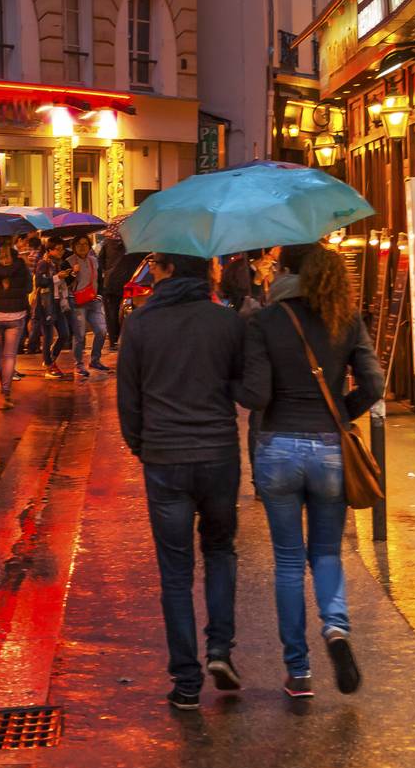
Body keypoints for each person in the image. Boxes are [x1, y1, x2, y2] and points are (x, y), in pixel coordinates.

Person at [237, 242, 383, 699]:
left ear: (287, 271)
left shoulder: (264, 319)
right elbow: (375, 384)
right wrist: (343, 412)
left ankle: (298, 670)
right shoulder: (346, 318)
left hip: (278, 447)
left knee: (286, 560)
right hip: (328, 450)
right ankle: (336, 628)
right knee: (326, 552)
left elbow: (256, 397)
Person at [117, 251, 247, 710]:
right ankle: (220, 650)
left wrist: (143, 446)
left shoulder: (140, 325)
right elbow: (245, 388)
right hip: (218, 454)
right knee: (219, 551)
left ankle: (186, 682)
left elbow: (128, 402)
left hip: (164, 457)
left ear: (168, 269)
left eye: (156, 264)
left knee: (175, 573)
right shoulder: (227, 323)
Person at [0, 237, 33, 409]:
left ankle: (3, 385)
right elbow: (29, 288)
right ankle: (6, 392)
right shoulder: (20, 263)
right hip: (15, 314)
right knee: (9, 356)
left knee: (0, 354)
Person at [70, 235, 110, 378]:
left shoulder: (94, 261)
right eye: (79, 244)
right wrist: (73, 272)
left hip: (94, 301)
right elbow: (65, 283)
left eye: (85, 244)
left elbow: (100, 280)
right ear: (74, 246)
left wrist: (99, 295)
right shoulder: (68, 262)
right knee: (80, 335)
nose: (82, 247)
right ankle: (79, 364)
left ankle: (95, 359)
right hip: (77, 303)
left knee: (101, 330)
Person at [36, 237, 74, 378]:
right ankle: (49, 365)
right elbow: (40, 282)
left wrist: (71, 274)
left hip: (59, 303)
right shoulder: (43, 264)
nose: (61, 252)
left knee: (64, 334)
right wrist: (57, 277)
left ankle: (50, 358)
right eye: (57, 249)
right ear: (49, 250)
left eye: (62, 249)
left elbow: (65, 282)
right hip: (47, 304)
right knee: (48, 336)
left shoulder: (60, 264)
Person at [99, 233, 130, 348]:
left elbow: (100, 261)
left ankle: (113, 341)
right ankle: (125, 339)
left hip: (111, 281)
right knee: (127, 310)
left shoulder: (107, 242)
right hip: (128, 280)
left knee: (112, 312)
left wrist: (107, 270)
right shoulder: (131, 242)